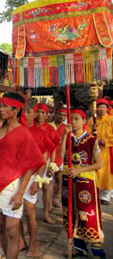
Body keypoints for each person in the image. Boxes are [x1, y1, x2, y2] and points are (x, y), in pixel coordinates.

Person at [0, 92, 44, 259]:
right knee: (0, 226)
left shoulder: (23, 133)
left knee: (12, 230)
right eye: (1, 106)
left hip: (12, 185)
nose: (1, 109)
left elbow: (30, 166)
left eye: (6, 106)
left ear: (16, 110)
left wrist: (20, 194)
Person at [60, 108, 105, 258]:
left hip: (85, 182)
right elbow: (61, 155)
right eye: (70, 119)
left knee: (87, 214)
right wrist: (64, 136)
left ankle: (97, 249)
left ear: (84, 121)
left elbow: (98, 164)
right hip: (68, 181)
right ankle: (78, 247)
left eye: (76, 119)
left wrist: (79, 170)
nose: (72, 122)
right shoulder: (68, 138)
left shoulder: (92, 140)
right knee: (70, 212)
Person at [19, 101, 54, 258]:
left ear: (33, 114)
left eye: (29, 112)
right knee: (14, 211)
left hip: (32, 175)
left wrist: (37, 180)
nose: (25, 115)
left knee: (29, 210)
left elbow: (44, 159)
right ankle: (20, 240)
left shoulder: (40, 133)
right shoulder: (14, 131)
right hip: (14, 176)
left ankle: (34, 245)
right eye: (23, 112)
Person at [34, 103, 60, 223]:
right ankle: (30, 212)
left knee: (46, 187)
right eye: (38, 111)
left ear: (47, 115)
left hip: (45, 161)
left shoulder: (50, 129)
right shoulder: (30, 126)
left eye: (43, 113)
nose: (40, 115)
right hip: (30, 161)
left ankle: (46, 213)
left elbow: (53, 148)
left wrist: (52, 165)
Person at [87, 98, 113, 205]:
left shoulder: (111, 119)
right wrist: (93, 135)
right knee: (96, 171)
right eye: (99, 107)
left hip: (107, 149)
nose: (101, 109)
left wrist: (106, 141)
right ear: (95, 109)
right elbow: (87, 133)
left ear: (107, 109)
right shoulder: (92, 120)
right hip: (95, 149)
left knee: (107, 173)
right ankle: (95, 192)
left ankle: (106, 196)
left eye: (103, 107)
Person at [49, 107, 67, 208]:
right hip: (49, 154)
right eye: (60, 114)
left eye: (64, 115)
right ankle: (48, 202)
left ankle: (55, 198)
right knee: (48, 180)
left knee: (59, 178)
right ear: (56, 114)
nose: (61, 117)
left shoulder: (66, 128)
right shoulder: (49, 126)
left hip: (60, 154)